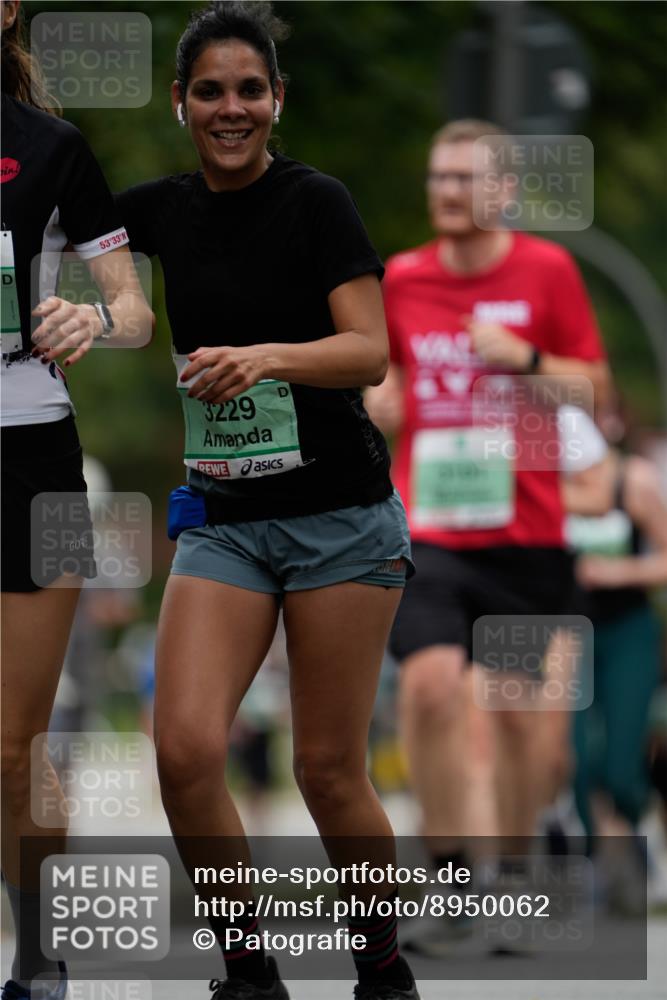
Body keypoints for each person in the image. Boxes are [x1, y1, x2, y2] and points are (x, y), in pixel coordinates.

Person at [115, 3, 419, 998]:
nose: (231, 108)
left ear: (277, 100)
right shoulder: (157, 210)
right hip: (226, 523)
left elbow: (369, 351)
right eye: (210, 90)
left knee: (327, 769)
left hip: (339, 518)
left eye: (251, 89)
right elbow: (57, 219)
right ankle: (250, 970)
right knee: (185, 747)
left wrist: (265, 359)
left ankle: (380, 966)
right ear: (179, 103)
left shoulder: (316, 201)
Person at [364, 118, 611, 953]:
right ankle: (451, 879)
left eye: (465, 179)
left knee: (516, 725)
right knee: (429, 689)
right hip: (426, 524)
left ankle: (509, 884)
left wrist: (526, 359)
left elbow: (592, 390)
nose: (446, 192)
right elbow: (384, 369)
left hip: (526, 534)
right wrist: (381, 400)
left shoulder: (546, 270)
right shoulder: (400, 278)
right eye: (438, 177)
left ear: (502, 190)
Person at [0, 3, 153, 997]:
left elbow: (138, 313)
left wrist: (89, 315)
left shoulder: (50, 147)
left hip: (29, 455)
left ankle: (40, 953)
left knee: (14, 742)